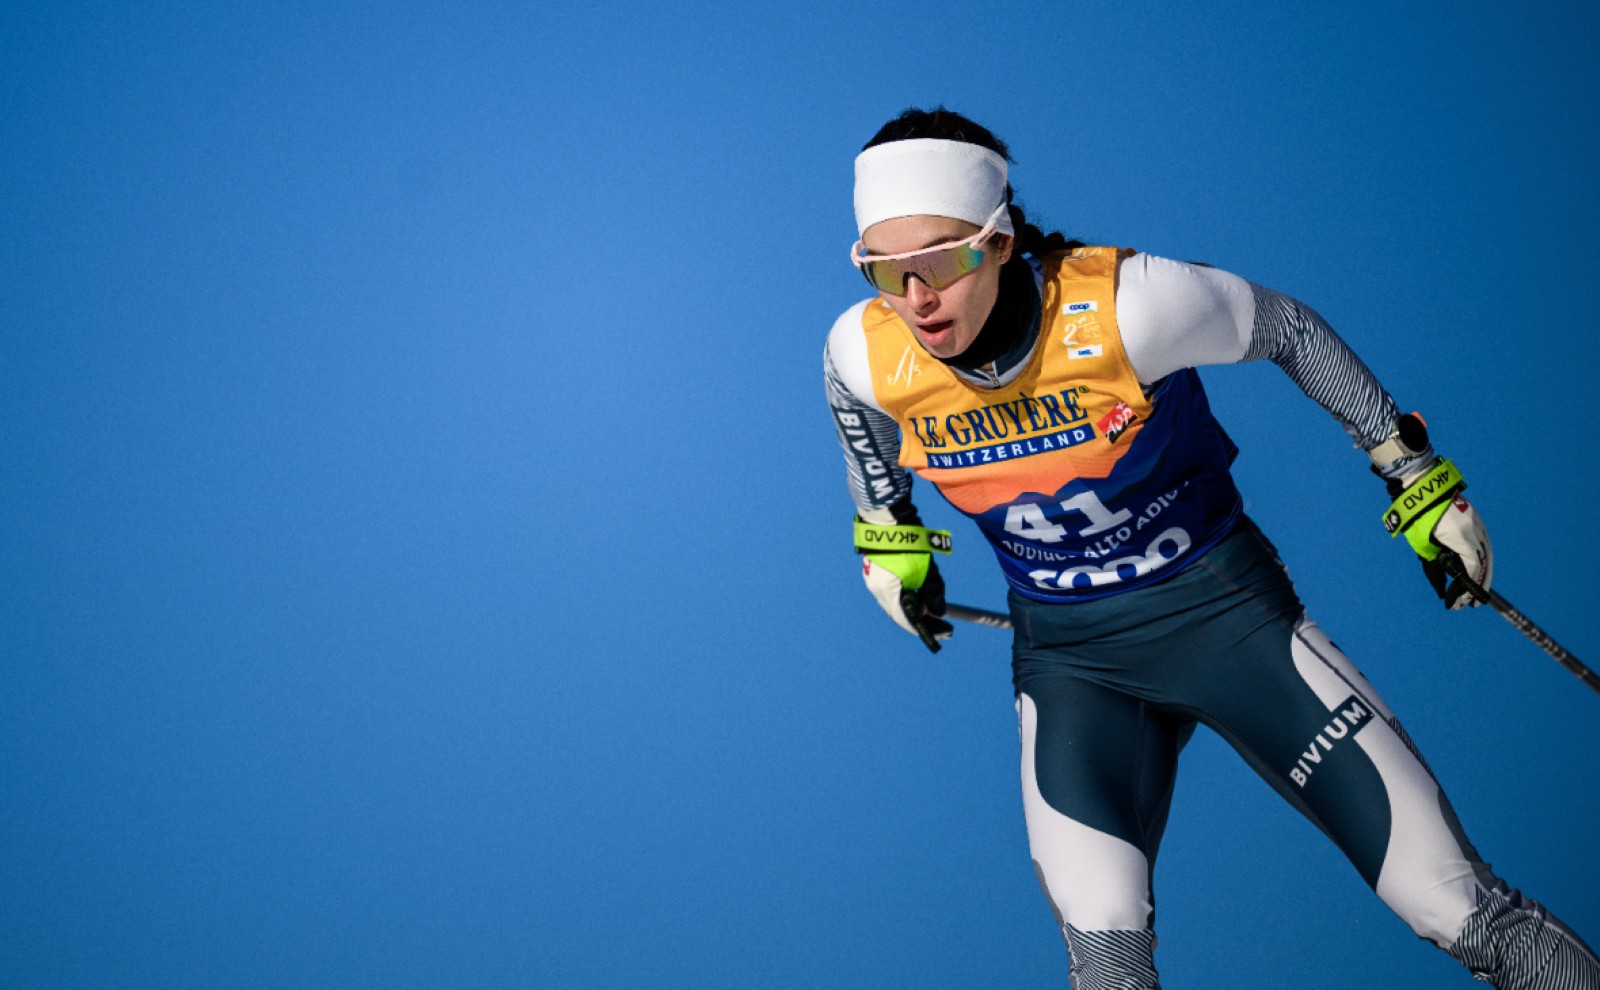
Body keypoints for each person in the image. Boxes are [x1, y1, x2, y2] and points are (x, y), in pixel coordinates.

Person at [823, 107, 1598, 989]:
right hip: (1076, 667)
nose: (916, 298)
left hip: (1231, 625)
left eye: (941, 262)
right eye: (884, 270)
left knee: (1455, 907)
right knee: (1108, 969)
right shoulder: (865, 351)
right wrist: (891, 540)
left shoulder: (1128, 306)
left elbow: (1288, 330)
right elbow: (860, 428)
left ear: (998, 242)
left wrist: (1412, 473)